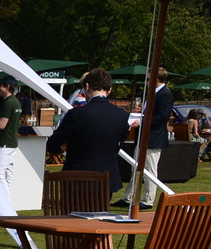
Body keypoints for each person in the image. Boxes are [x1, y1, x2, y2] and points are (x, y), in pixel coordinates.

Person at [46, 67, 129, 195]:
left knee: (73, 214)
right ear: (109, 90)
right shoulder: (122, 115)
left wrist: (61, 151)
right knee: (101, 214)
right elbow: (120, 142)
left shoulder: (76, 114)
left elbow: (53, 143)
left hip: (77, 179)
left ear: (87, 86)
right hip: (107, 179)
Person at [138, 67, 175, 208]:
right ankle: (129, 197)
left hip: (154, 137)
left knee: (149, 169)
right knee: (135, 168)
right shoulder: (152, 94)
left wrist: (143, 120)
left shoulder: (165, 94)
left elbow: (164, 116)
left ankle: (148, 199)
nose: (146, 82)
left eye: (148, 79)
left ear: (156, 79)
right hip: (144, 136)